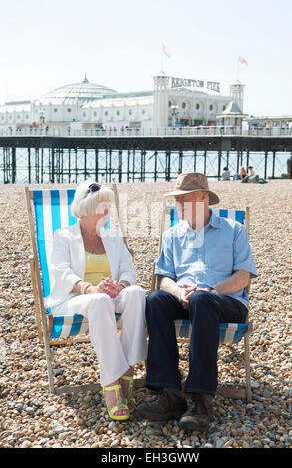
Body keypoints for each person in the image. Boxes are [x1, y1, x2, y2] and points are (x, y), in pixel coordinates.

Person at [137, 172, 257, 432]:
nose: (177, 205)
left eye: (183, 199)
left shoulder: (234, 230)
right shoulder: (172, 235)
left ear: (203, 198)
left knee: (203, 298)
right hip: (187, 299)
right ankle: (169, 392)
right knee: (156, 299)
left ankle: (201, 398)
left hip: (226, 302)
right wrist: (179, 292)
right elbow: (164, 278)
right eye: (176, 200)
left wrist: (211, 290)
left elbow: (243, 277)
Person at [45, 180, 147, 421]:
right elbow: (61, 272)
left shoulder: (113, 237)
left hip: (107, 295)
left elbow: (128, 270)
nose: (108, 211)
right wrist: (90, 288)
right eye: (104, 206)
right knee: (100, 300)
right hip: (74, 297)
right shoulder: (63, 236)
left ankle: (127, 373)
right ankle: (111, 383)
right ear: (89, 208)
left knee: (136, 293)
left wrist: (119, 286)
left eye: (109, 206)